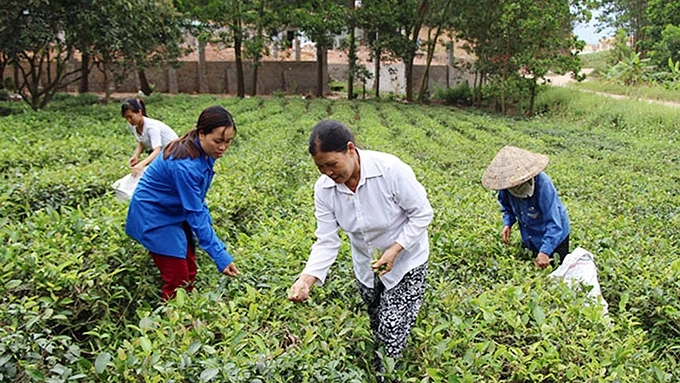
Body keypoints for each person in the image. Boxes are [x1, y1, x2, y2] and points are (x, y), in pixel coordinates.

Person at [288, 120, 433, 375]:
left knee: (391, 327)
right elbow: (327, 239)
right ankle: (383, 360)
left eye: (332, 164)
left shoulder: (390, 170)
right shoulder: (324, 190)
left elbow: (422, 213)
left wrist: (395, 249)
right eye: (320, 167)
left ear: (351, 149)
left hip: (406, 260)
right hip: (366, 264)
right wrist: (306, 280)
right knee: (377, 319)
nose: (328, 173)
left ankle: (386, 374)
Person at [125, 105, 239, 300]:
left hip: (174, 211)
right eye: (218, 141)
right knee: (177, 280)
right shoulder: (185, 165)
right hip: (154, 216)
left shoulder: (202, 151)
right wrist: (220, 255)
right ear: (201, 134)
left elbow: (197, 204)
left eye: (228, 142)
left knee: (189, 271)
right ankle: (173, 325)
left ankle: (187, 318)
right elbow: (195, 212)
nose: (223, 148)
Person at [481, 145, 570, 268]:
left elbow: (554, 223)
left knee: (555, 271)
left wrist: (545, 251)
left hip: (555, 237)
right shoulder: (506, 185)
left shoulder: (543, 185)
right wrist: (508, 223)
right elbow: (507, 207)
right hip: (530, 235)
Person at [121, 98, 179, 177]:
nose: (129, 120)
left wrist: (142, 164)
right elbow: (141, 141)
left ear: (139, 112)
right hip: (162, 154)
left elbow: (157, 150)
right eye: (126, 118)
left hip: (174, 154)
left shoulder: (151, 127)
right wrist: (136, 156)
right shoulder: (134, 125)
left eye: (131, 116)